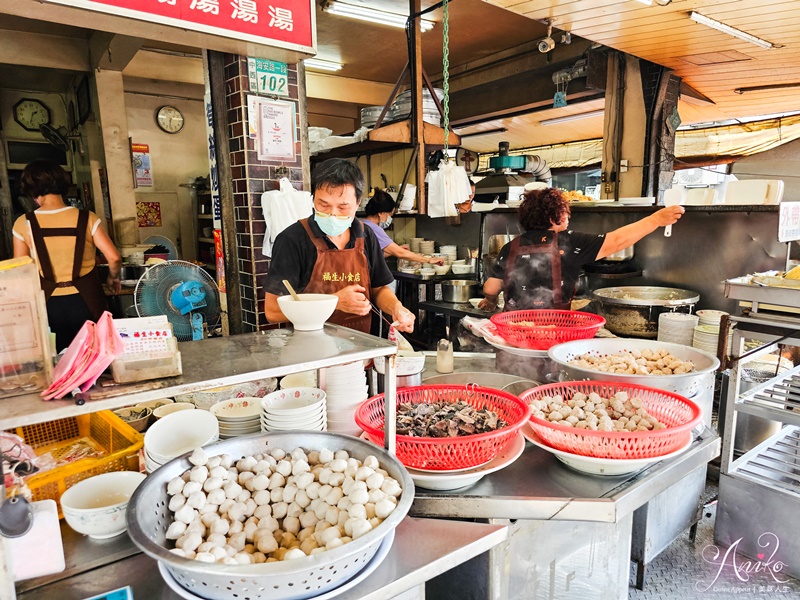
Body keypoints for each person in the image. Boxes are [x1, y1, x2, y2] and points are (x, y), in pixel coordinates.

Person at [263, 159, 416, 334]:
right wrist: (335, 301)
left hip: (361, 350)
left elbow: (379, 289)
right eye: (323, 204)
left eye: (343, 207)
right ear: (313, 199)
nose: (332, 214)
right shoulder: (292, 240)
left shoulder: (366, 235)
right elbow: (272, 311)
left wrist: (396, 308)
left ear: (358, 203)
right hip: (311, 352)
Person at [479, 186, 685, 312]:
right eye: (566, 214)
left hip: (513, 329)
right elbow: (618, 241)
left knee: (517, 379)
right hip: (554, 331)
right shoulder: (569, 242)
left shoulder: (511, 246)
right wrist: (656, 219)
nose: (569, 219)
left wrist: (489, 301)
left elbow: (490, 288)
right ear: (553, 218)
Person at [13, 160, 122, 351]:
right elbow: (114, 258)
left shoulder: (23, 223)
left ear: (33, 192)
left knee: (57, 365)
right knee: (95, 360)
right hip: (87, 301)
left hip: (47, 305)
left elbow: (20, 270)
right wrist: (113, 278)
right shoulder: (87, 218)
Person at [361, 190, 445, 269]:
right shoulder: (374, 229)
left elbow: (373, 255)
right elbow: (400, 253)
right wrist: (429, 260)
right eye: (390, 215)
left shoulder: (362, 224)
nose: (390, 218)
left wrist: (395, 249)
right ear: (381, 213)